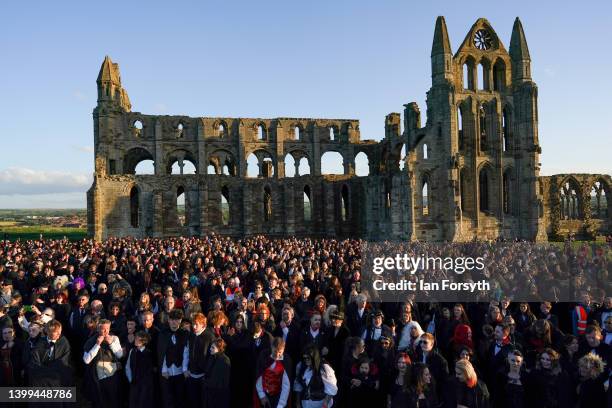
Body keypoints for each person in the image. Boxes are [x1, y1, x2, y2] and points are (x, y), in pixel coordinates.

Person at [28, 320, 73, 407]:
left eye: (59, 332)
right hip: (41, 378)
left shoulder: (64, 342)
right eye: (55, 333)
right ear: (47, 332)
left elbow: (64, 361)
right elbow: (34, 360)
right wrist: (43, 371)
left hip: (56, 378)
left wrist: (50, 371)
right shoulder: (40, 342)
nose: (58, 335)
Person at [83, 318, 124, 408]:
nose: (106, 331)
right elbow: (86, 360)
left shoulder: (114, 338)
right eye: (103, 329)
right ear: (98, 329)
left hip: (112, 375)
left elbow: (120, 355)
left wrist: (111, 344)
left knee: (113, 400)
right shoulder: (91, 340)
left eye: (107, 329)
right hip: (97, 377)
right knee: (100, 402)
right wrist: (97, 344)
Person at [157, 309, 189, 408]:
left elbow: (186, 352)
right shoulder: (162, 334)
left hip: (180, 372)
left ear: (180, 321)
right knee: (167, 399)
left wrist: (184, 369)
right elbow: (161, 353)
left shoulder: (184, 333)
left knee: (180, 398)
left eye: (177, 320)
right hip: (167, 372)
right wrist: (164, 370)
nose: (174, 322)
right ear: (168, 320)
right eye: (172, 320)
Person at [185, 312, 215, 408]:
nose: (194, 326)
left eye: (196, 324)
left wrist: (207, 372)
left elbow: (212, 357)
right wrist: (186, 369)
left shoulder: (210, 337)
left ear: (203, 324)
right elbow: (187, 353)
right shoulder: (191, 335)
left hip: (203, 377)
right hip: (191, 374)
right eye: (193, 323)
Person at [255, 337, 292, 408]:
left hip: (279, 397)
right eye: (275, 351)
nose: (277, 355)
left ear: (284, 349)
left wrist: (281, 405)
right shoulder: (264, 358)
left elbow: (286, 386)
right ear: (272, 347)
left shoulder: (286, 361)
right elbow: (259, 378)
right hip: (265, 395)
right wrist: (262, 395)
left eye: (280, 352)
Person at [125, 331, 154, 408]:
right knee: (133, 402)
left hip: (145, 384)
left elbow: (149, 370)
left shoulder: (149, 353)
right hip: (134, 382)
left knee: (143, 402)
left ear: (143, 341)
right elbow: (128, 367)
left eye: (138, 339)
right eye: (136, 338)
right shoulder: (132, 351)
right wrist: (130, 379)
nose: (136, 340)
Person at [202, 337, 232, 408]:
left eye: (212, 347)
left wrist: (206, 382)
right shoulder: (212, 357)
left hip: (218, 393)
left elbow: (221, 379)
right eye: (211, 347)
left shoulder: (224, 360)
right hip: (210, 391)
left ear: (219, 348)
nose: (210, 349)